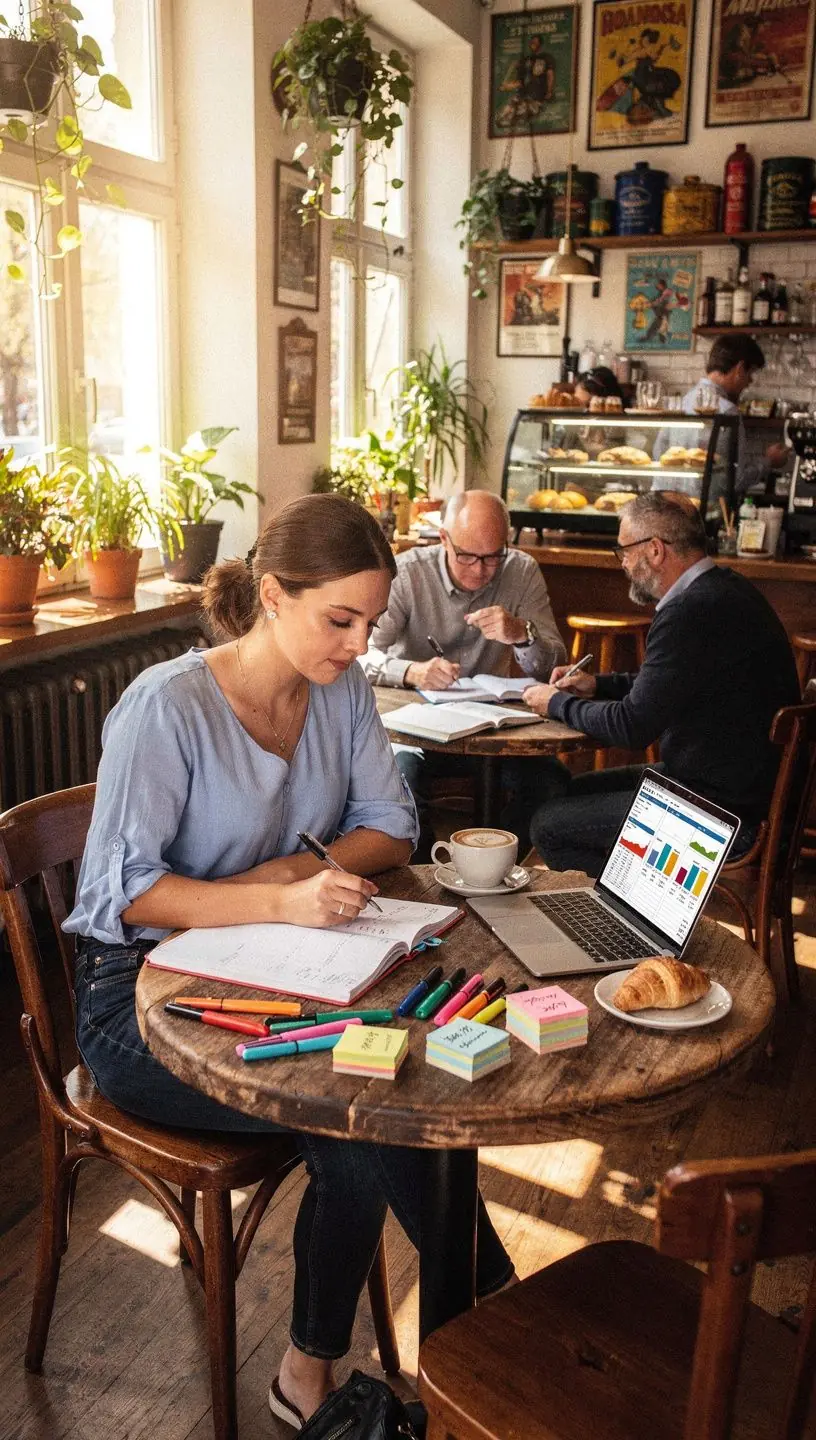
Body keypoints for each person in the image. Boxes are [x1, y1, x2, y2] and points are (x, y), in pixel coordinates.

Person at [63, 494, 514, 1426]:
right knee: (351, 1113)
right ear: (272, 595)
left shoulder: (341, 689)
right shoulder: (167, 706)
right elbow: (122, 896)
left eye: (368, 623)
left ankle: (472, 1333)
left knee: (383, 1076)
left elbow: (393, 825)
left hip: (274, 963)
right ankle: (483, 1327)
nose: (356, 645)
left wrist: (297, 874)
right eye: (337, 620)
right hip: (144, 995)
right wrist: (278, 897)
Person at [520, 492, 799, 876]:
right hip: (734, 795)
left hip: (722, 818)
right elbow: (671, 685)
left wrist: (554, 703)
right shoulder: (729, 590)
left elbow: (632, 727)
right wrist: (596, 685)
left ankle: (636, 921)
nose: (623, 564)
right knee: (566, 793)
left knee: (548, 826)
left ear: (654, 550)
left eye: (624, 551)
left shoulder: (688, 611)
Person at [361, 490, 566, 859]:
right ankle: (428, 880)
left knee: (553, 782)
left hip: (490, 729)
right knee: (398, 786)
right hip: (416, 730)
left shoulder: (520, 570)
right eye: (467, 556)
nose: (480, 569)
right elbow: (363, 652)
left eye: (492, 557)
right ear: (443, 539)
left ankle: (488, 869)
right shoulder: (407, 574)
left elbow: (552, 663)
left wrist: (523, 633)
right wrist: (411, 671)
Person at [655, 335, 788, 494]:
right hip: (707, 514)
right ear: (739, 369)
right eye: (750, 374)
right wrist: (769, 461)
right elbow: (737, 480)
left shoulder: (682, 403)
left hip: (671, 508)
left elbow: (658, 455)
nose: (749, 382)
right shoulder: (727, 412)